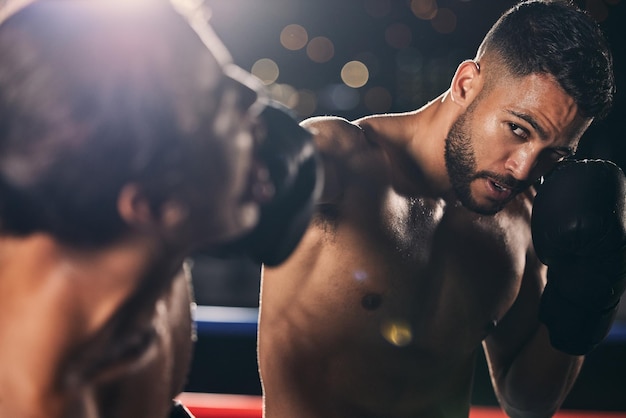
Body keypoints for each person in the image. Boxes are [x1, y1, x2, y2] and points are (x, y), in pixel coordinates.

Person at [258, 1, 624, 417]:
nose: (524, 168)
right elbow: (227, 183)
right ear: (466, 83)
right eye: (518, 129)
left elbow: (529, 403)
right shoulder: (343, 162)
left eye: (554, 154)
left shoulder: (523, 223)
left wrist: (588, 294)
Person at [0, 1, 319, 417]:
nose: (252, 96)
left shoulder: (122, 271)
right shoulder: (38, 397)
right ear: (150, 205)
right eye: (216, 100)